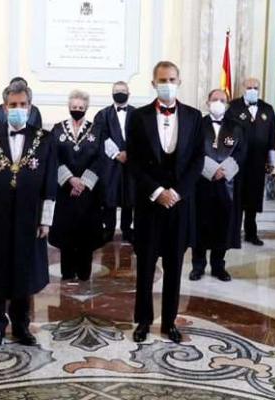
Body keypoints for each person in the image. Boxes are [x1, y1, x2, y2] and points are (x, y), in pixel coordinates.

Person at [0, 81, 57, 348]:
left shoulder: (44, 139)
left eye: (22, 105)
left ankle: (21, 326)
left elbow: (50, 182)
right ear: (4, 108)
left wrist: (46, 219)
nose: (18, 110)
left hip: (29, 219)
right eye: (12, 105)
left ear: (30, 108)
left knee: (25, 272)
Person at [128, 61, 204, 344]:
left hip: (179, 204)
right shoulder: (138, 117)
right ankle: (144, 321)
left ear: (179, 81)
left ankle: (170, 321)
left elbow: (198, 160)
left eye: (172, 79)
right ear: (153, 83)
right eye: (162, 79)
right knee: (146, 266)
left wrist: (177, 192)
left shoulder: (195, 117)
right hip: (150, 204)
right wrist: (157, 191)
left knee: (174, 266)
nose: (167, 84)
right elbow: (134, 162)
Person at [48, 90, 106, 281]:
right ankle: (67, 271)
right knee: (67, 233)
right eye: (74, 107)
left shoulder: (97, 130)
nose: (77, 110)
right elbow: (53, 158)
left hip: (88, 193)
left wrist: (84, 182)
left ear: (86, 108)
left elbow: (100, 159)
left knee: (85, 234)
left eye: (80, 108)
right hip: (66, 191)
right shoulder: (57, 129)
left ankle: (84, 272)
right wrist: (70, 180)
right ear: (69, 107)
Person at [190, 89, 246, 282]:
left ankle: (218, 265)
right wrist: (211, 170)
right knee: (200, 224)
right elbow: (192, 151)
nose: (218, 103)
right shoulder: (197, 125)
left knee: (223, 225)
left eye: (222, 100)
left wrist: (224, 171)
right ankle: (198, 265)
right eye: (215, 99)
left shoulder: (237, 127)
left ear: (228, 104)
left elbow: (241, 153)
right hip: (202, 183)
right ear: (207, 102)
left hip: (226, 184)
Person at [225, 78, 275, 246]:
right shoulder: (233, 107)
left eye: (256, 87)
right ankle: (233, 233)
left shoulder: (267, 109)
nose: (252, 90)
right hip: (237, 161)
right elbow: (227, 133)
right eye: (249, 87)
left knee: (253, 197)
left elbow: (271, 138)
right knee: (237, 197)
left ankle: (251, 233)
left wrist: (272, 161)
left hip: (258, 161)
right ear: (243, 88)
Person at [94, 81, 136, 243]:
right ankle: (109, 228)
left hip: (131, 162)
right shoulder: (102, 114)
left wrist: (129, 153)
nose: (120, 93)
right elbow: (101, 136)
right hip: (110, 162)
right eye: (117, 91)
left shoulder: (137, 113)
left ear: (128, 93)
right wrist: (117, 153)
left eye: (123, 91)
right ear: (112, 94)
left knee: (129, 196)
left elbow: (141, 136)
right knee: (109, 196)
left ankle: (127, 229)